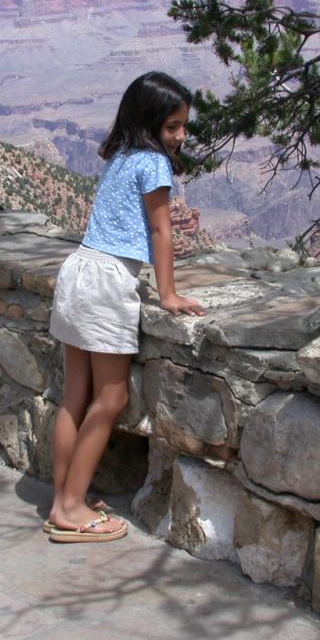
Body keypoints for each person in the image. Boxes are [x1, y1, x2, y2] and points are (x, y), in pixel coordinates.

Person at [45, 71, 206, 543]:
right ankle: (72, 509)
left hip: (77, 269)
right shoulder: (154, 165)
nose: (180, 136)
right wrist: (169, 295)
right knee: (111, 398)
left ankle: (62, 498)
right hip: (109, 281)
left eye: (183, 126)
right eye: (172, 126)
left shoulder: (121, 155)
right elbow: (161, 232)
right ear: (149, 120)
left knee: (75, 397)